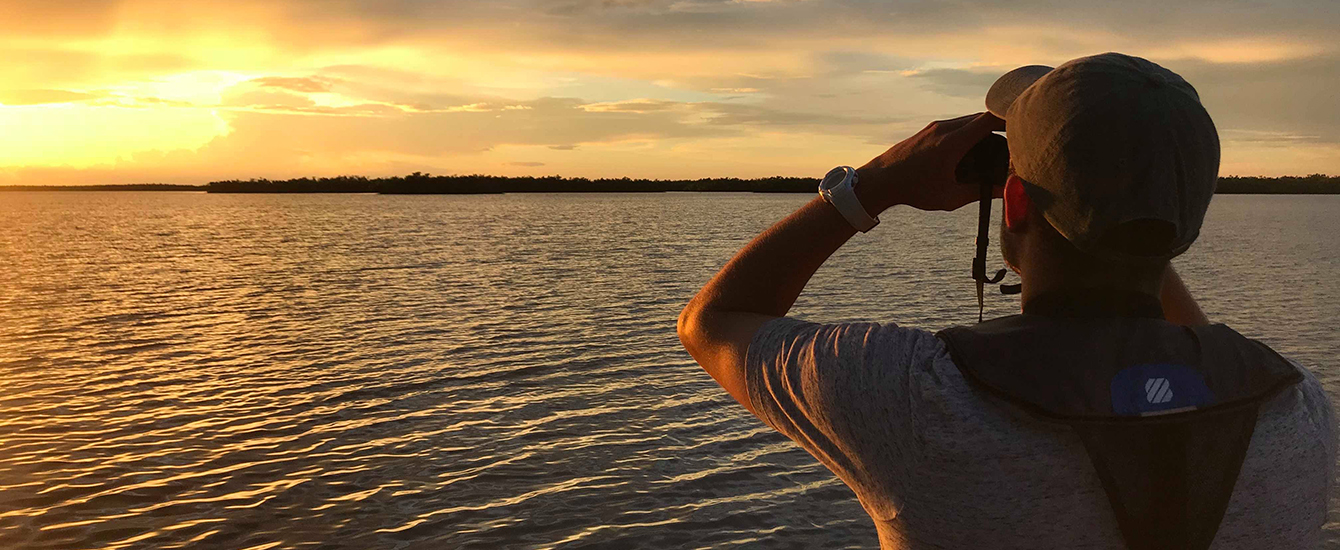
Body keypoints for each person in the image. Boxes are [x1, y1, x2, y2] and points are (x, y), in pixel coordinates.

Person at [677, 52, 1334, 549]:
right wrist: (1134, 229)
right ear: (1188, 223)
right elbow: (1183, 344)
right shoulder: (1296, 403)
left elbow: (711, 321)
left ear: (1014, 201)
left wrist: (874, 184)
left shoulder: (915, 396)